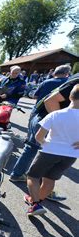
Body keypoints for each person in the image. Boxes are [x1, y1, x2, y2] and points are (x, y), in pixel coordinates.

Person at [10, 66, 74, 183]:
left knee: (30, 146)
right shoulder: (69, 84)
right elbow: (51, 101)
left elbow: (34, 95)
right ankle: (41, 185)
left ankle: (17, 174)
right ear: (66, 73)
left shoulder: (46, 81)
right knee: (46, 153)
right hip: (48, 119)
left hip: (37, 114)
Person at [24, 84, 79, 216]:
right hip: (70, 155)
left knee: (33, 176)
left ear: (70, 97)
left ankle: (35, 204)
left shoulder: (56, 114)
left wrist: (45, 143)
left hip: (49, 151)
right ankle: (36, 201)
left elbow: (39, 136)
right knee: (50, 179)